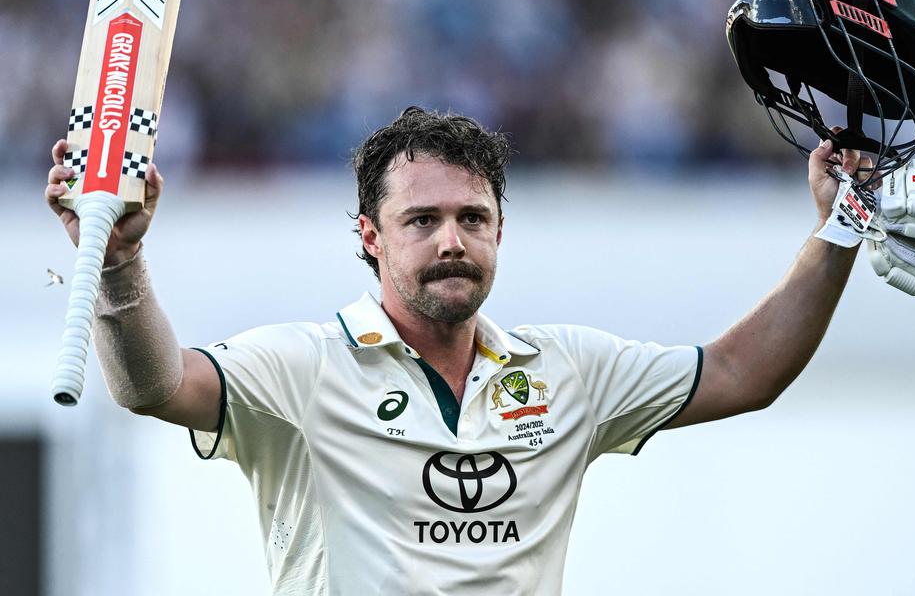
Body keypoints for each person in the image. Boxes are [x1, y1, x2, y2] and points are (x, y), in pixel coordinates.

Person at [44, 106, 870, 595]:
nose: (452, 241)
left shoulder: (569, 370)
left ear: (500, 231)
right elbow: (155, 387)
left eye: (473, 219)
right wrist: (119, 264)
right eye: (421, 220)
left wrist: (841, 227)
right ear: (370, 238)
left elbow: (742, 373)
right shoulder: (301, 366)